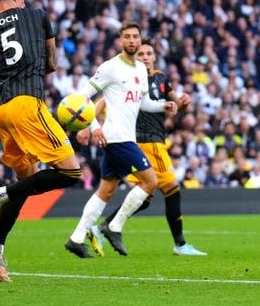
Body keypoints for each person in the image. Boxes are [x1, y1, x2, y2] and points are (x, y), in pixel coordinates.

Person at [0, 0, 84, 282]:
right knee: (70, 172)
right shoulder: (36, 15)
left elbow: (5, 64)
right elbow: (50, 63)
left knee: (25, 180)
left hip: (2, 111)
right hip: (27, 103)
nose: (23, 0)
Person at [84, 38, 206, 257]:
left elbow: (175, 104)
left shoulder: (161, 78)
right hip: (142, 140)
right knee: (171, 188)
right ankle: (179, 244)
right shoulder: (127, 75)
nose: (145, 57)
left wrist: (183, 103)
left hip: (156, 139)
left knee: (145, 197)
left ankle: (103, 227)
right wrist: (89, 124)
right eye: (141, 54)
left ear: (155, 57)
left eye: (149, 53)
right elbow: (103, 100)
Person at [65, 23, 178, 258]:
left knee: (105, 191)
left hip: (125, 138)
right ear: (121, 41)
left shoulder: (139, 69)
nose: (132, 41)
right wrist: (94, 127)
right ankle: (114, 226)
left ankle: (76, 238)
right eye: (127, 37)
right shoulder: (110, 68)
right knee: (150, 182)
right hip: (117, 138)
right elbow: (81, 98)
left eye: (136, 37)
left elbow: (143, 103)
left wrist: (163, 105)